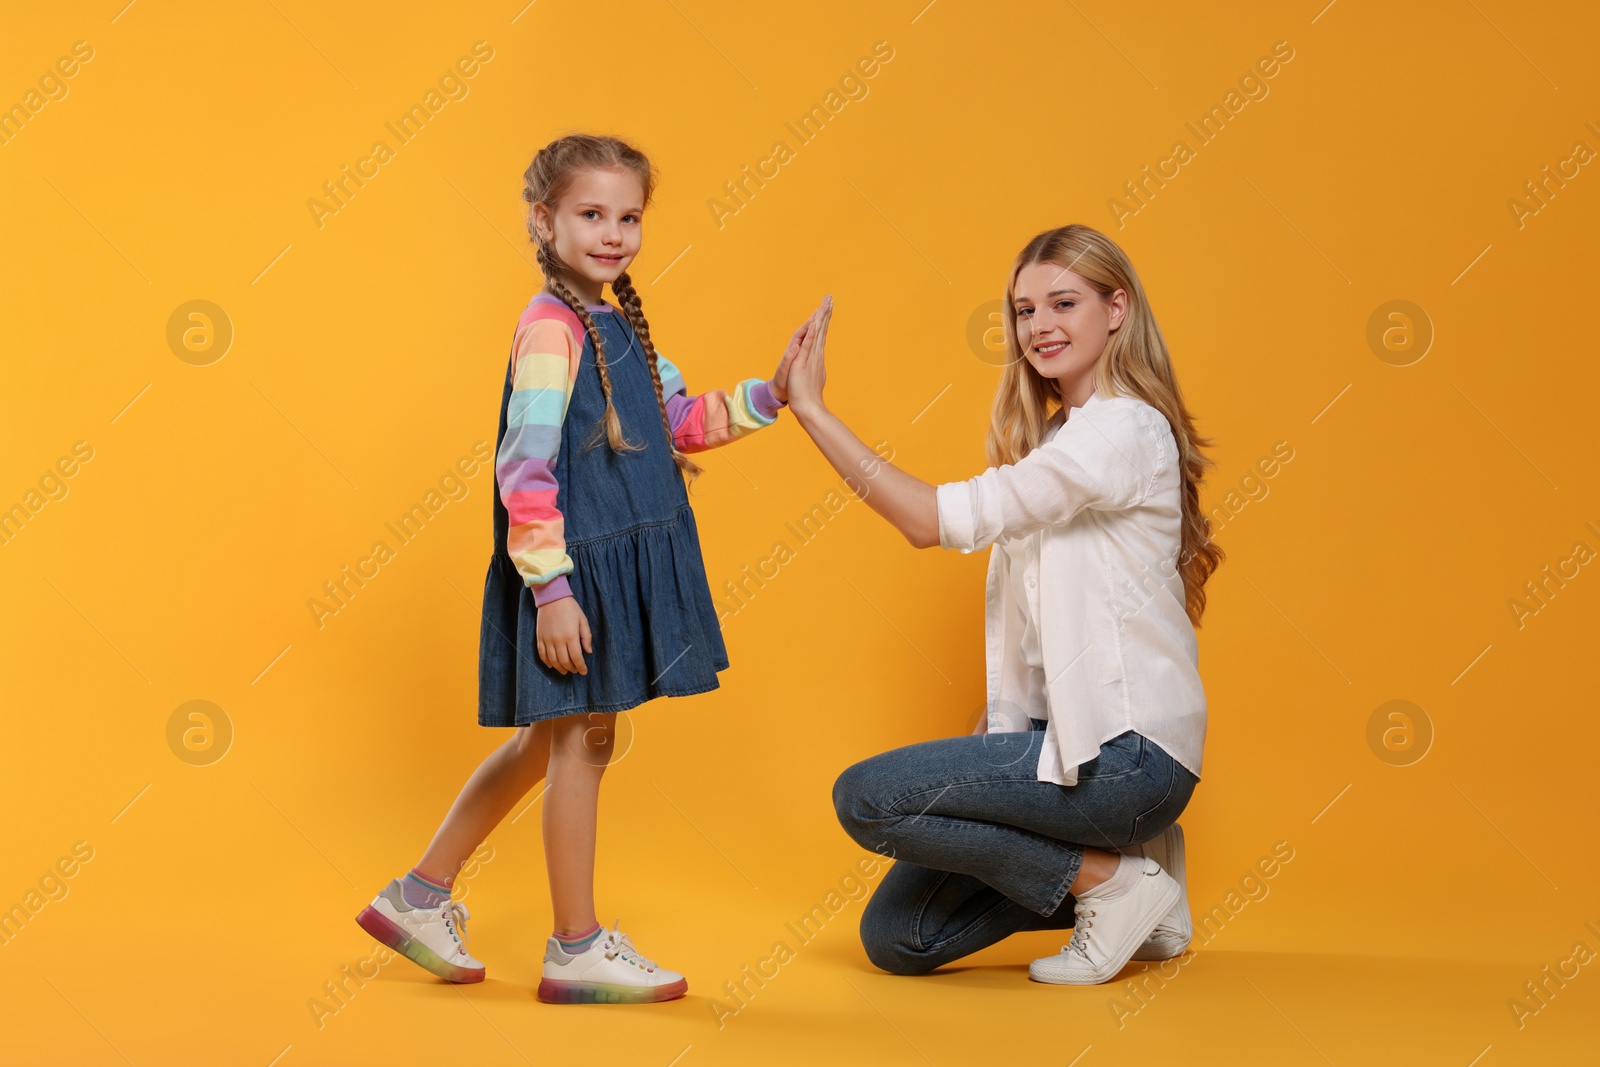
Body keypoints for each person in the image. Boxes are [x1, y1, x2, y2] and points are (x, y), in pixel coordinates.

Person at [355, 133, 805, 1004]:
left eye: (628, 216)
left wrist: (769, 395)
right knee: (585, 745)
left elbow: (675, 422)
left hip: (596, 571)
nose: (613, 232)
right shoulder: (550, 330)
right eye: (591, 214)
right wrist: (552, 591)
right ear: (544, 219)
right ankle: (575, 946)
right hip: (573, 576)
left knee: (544, 745)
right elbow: (524, 469)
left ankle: (418, 894)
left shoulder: (619, 321)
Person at [785, 224, 1222, 985]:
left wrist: (813, 410)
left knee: (865, 797)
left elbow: (930, 520)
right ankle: (1140, 878)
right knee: (900, 937)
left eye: (1064, 303)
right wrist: (990, 750)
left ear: (1116, 308)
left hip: (1126, 757)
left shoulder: (1119, 430)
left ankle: (1116, 885)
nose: (1039, 327)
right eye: (1024, 311)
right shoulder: (1062, 438)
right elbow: (1035, 629)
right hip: (1065, 744)